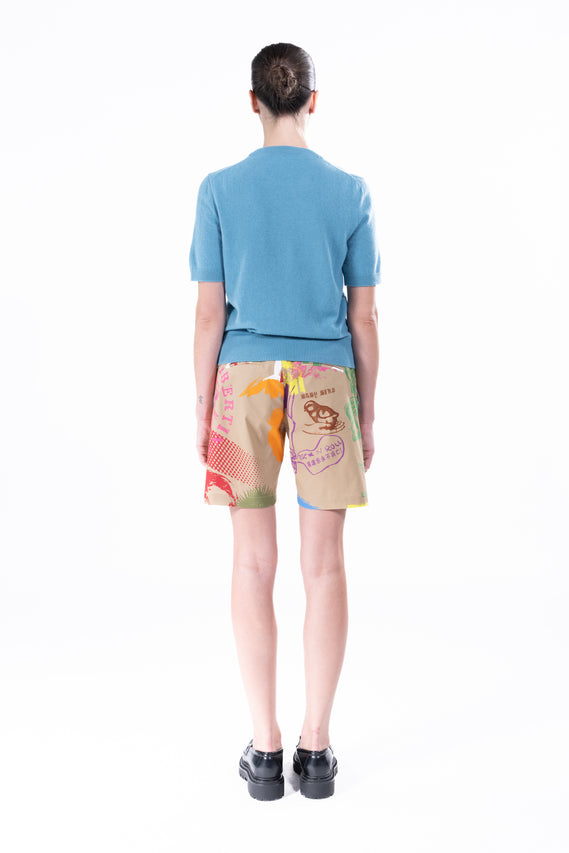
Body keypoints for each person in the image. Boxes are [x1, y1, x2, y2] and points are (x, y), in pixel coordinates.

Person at [189, 42, 380, 800]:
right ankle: (317, 748)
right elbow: (364, 318)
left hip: (244, 383)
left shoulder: (218, 190)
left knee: (251, 563)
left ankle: (265, 750)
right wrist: (368, 414)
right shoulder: (349, 191)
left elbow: (209, 313)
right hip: (326, 381)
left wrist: (201, 405)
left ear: (252, 101)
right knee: (324, 565)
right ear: (312, 100)